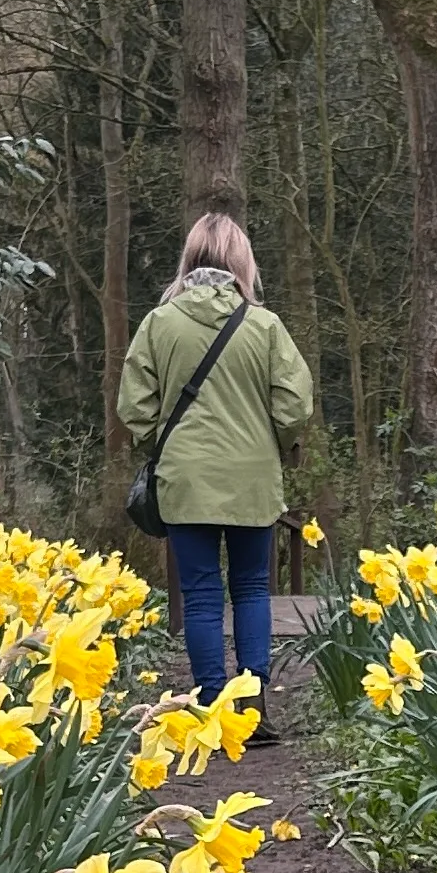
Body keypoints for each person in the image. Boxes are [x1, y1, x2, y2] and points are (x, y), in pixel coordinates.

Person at [119, 213, 316, 715]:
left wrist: (161, 443)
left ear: (188, 261)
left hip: (184, 480)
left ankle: (209, 703)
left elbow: (134, 407)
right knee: (252, 589)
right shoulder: (264, 326)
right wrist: (269, 442)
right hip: (253, 478)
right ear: (242, 262)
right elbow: (295, 405)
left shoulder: (159, 324)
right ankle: (251, 704)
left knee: (201, 593)